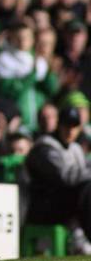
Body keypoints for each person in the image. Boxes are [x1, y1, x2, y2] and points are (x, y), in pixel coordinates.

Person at [24, 106, 91, 253]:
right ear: (59, 125)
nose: (70, 131)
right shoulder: (44, 148)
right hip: (43, 207)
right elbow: (65, 176)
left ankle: (81, 240)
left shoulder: (75, 148)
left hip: (66, 205)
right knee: (87, 188)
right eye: (67, 126)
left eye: (74, 127)